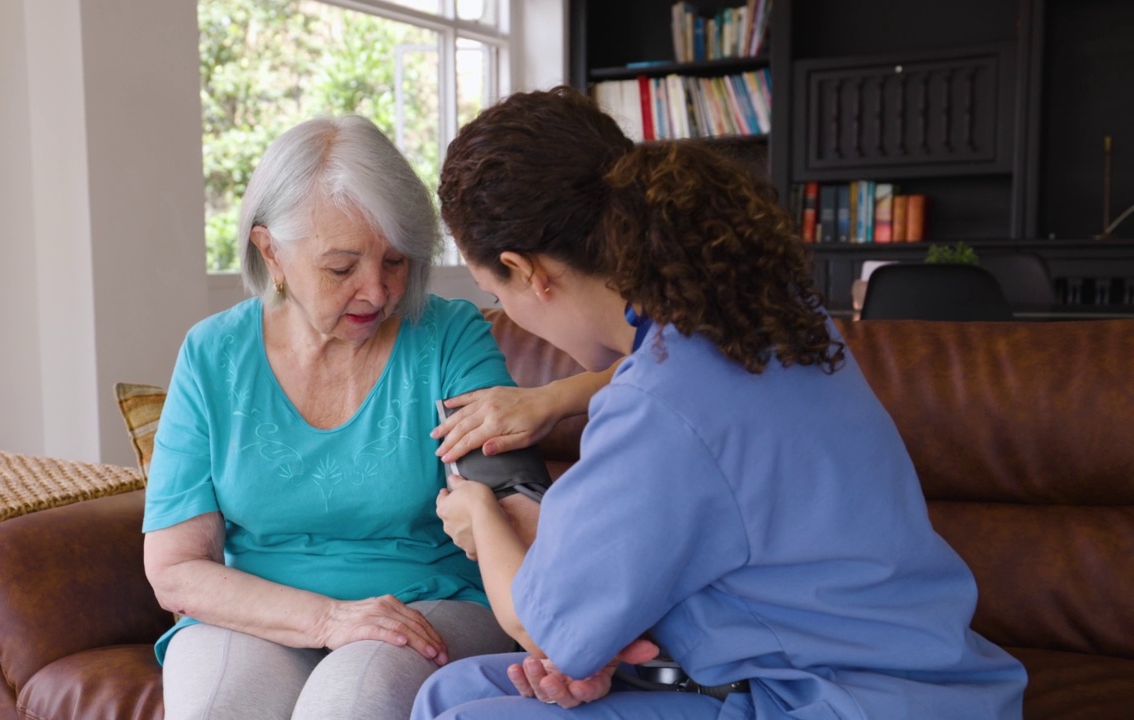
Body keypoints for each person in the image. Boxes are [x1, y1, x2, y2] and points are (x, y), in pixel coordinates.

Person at [412, 87, 1028, 719]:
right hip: (842, 673)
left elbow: (546, 631)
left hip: (851, 700)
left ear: (529, 270)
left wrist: (481, 518)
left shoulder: (658, 410)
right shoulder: (761, 316)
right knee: (451, 690)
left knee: (465, 715)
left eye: (495, 289)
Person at [142, 115, 535, 720]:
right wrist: (325, 619)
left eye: (396, 261)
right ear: (270, 251)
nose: (377, 292)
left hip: (427, 601)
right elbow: (174, 567)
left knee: (347, 705)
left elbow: (512, 506)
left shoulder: (449, 337)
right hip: (259, 610)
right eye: (342, 267)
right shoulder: (212, 354)